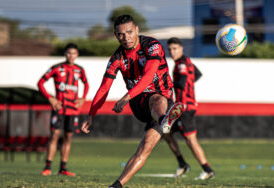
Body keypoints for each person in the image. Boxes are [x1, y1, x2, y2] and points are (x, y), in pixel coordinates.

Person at [81, 15, 183, 188]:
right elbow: (104, 88)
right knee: (156, 99)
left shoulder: (152, 46)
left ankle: (116, 185)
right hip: (140, 103)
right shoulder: (117, 58)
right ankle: (165, 120)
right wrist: (91, 114)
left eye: (129, 32)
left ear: (137, 30)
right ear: (115, 35)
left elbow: (148, 76)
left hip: (159, 100)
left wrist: (125, 97)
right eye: (121, 34)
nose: (126, 37)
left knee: (145, 148)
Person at [165, 37, 215, 180]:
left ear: (181, 48)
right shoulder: (187, 62)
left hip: (185, 108)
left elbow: (181, 83)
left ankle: (208, 170)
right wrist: (189, 86)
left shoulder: (182, 64)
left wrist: (166, 83)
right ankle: (182, 164)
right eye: (170, 49)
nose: (172, 52)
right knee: (166, 132)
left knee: (191, 140)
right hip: (180, 108)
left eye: (174, 49)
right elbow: (197, 74)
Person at [37, 43, 89, 176]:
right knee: (54, 135)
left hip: (73, 110)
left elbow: (86, 84)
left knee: (68, 136)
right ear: (65, 54)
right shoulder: (56, 68)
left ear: (77, 55)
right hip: (59, 108)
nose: (71, 56)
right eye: (69, 53)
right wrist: (50, 98)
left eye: (74, 53)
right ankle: (47, 166)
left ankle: (63, 168)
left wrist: (83, 98)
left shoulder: (80, 70)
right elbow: (40, 83)